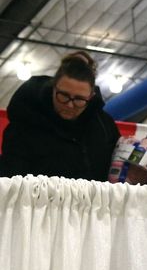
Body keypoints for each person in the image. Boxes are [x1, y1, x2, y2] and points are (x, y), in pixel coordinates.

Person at [0, 51, 118, 181]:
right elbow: (12, 180)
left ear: (91, 96)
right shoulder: (25, 120)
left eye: (79, 99)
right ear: (53, 87)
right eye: (63, 95)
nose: (70, 105)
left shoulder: (104, 126)